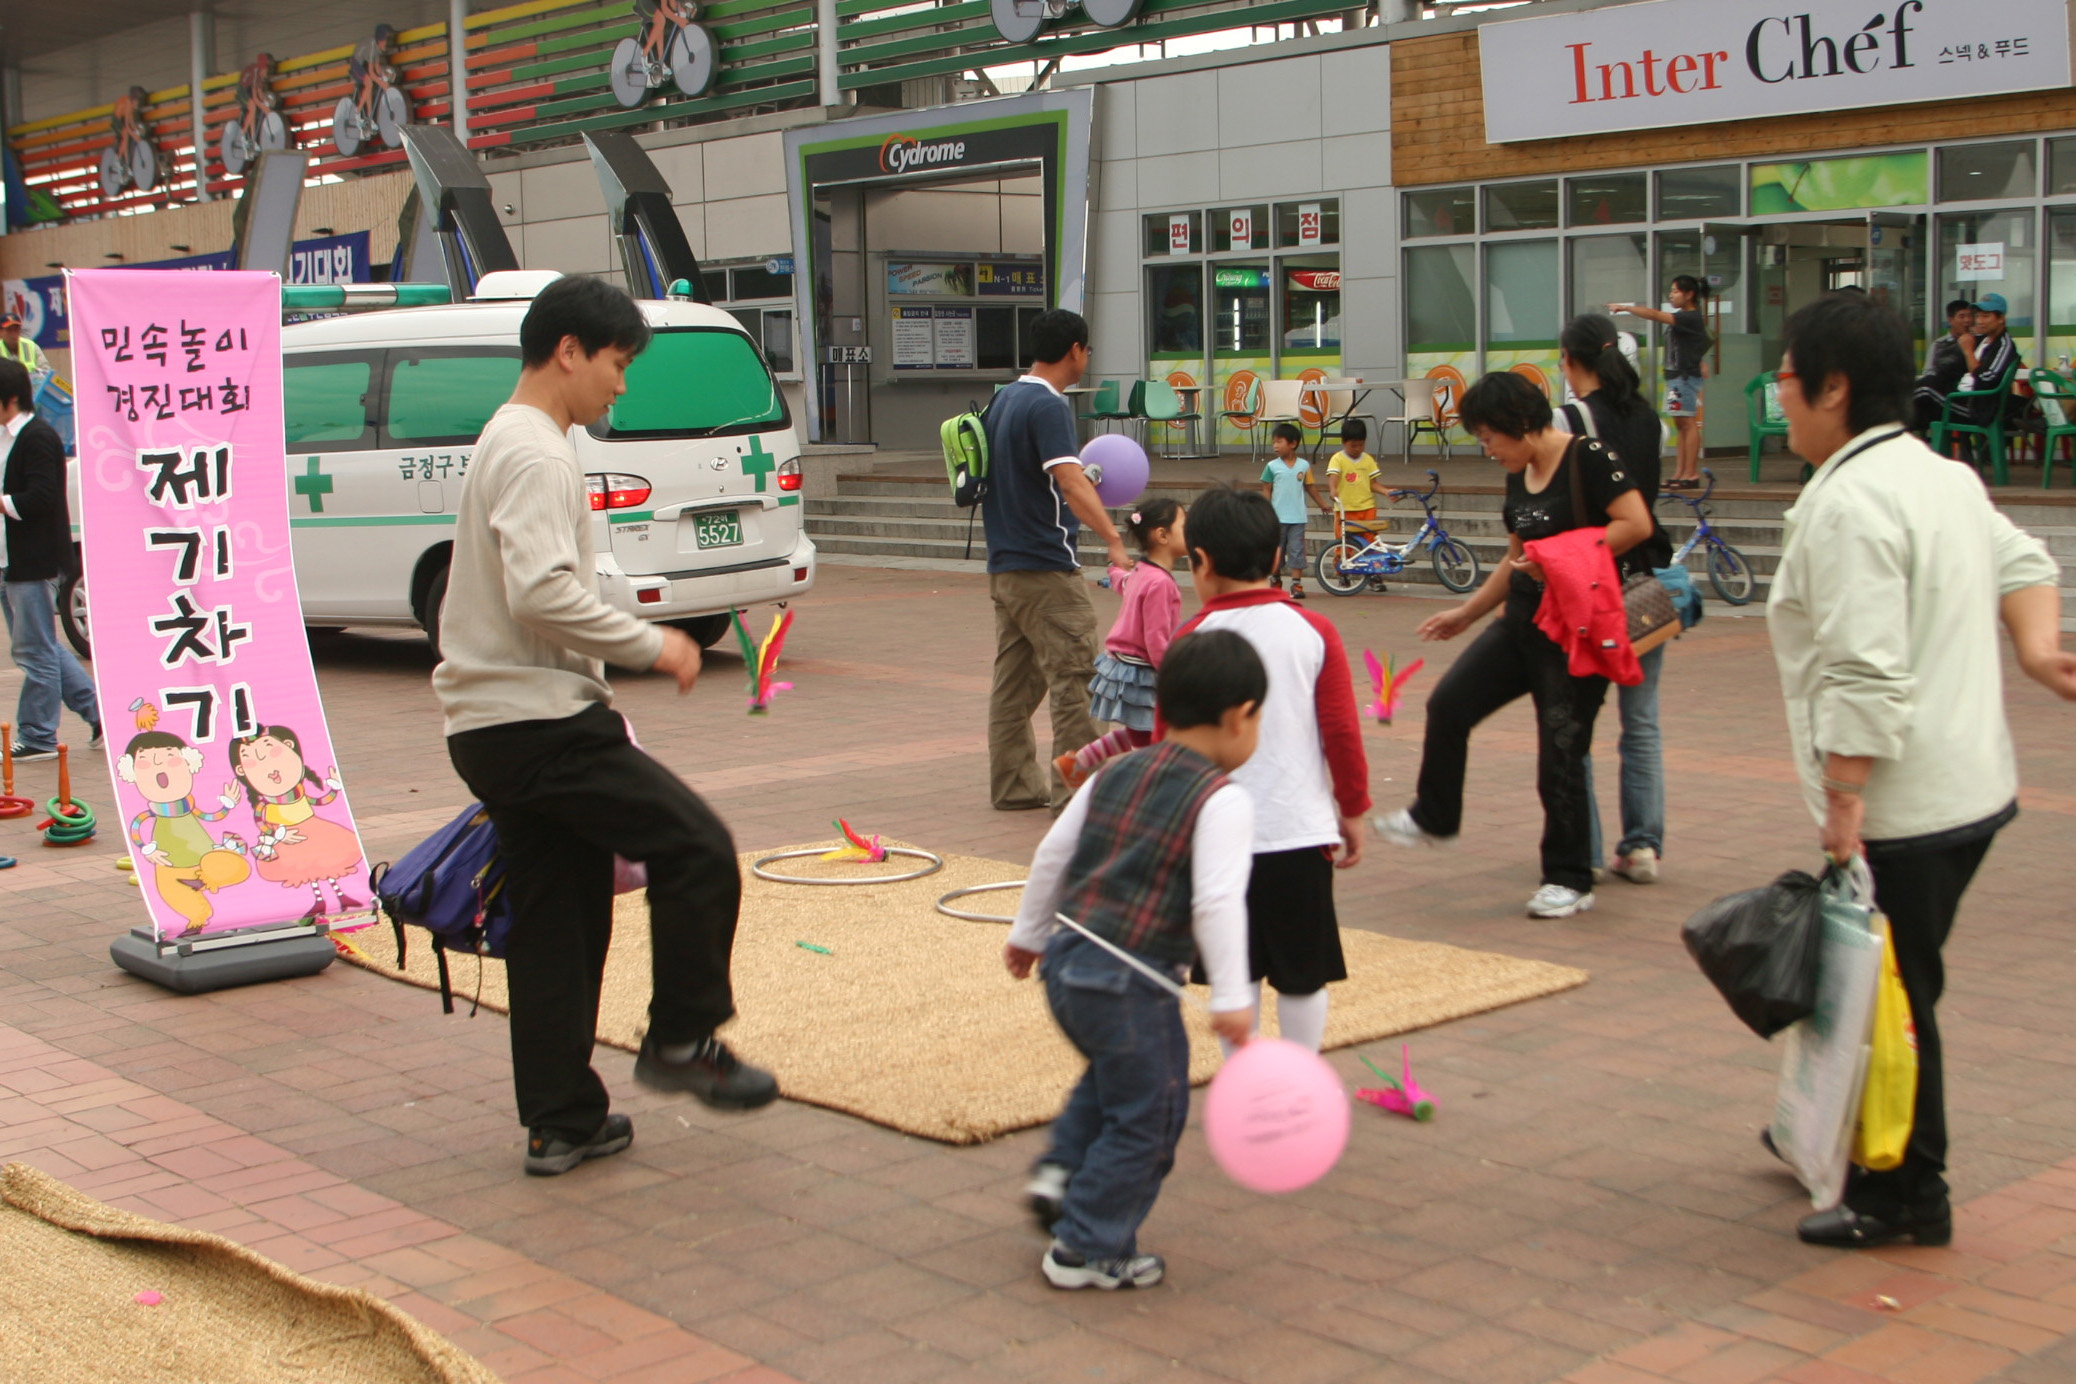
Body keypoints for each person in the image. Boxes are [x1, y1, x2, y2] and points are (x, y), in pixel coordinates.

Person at [435, 275, 776, 1178]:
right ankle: (680, 1039)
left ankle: (563, 1120)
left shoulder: (511, 440)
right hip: (538, 722)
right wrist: (652, 647)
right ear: (569, 352)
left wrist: (630, 617)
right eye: (618, 364)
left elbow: (555, 580)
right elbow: (542, 593)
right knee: (695, 845)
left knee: (560, 915)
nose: (620, 386)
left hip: (491, 726)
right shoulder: (539, 450)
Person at [1765, 293, 2076, 1249]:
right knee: (1887, 981)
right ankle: (1829, 1136)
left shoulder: (1853, 502)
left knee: (1896, 995)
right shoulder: (1935, 475)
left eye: (1786, 379)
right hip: (1971, 786)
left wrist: (1845, 806)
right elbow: (2026, 564)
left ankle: (1906, 1194)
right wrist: (2036, 649)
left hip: (1908, 805)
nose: (1779, 397)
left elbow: (1865, 668)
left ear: (1833, 387)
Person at [1005, 629, 1264, 1291]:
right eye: (1259, 717)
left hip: (1067, 964)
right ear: (1238, 717)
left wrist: (1029, 934)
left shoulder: (1116, 769)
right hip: (1130, 983)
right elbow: (1216, 901)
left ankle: (1063, 1172)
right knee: (1152, 1112)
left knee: (1114, 1078)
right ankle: (1088, 1246)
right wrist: (1234, 997)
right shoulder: (1223, 799)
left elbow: (1052, 856)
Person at [1372, 372, 1652, 919]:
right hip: (1521, 620)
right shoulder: (1519, 472)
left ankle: (1569, 878)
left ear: (1520, 425)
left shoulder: (1588, 457)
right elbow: (1514, 557)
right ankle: (1435, 815)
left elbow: (1635, 523)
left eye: (1489, 437)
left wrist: (1560, 556)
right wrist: (1466, 614)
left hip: (1575, 629)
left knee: (1561, 752)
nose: (1487, 449)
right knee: (1448, 704)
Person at [1171, 485, 1368, 1050]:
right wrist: (1351, 808)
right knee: (1303, 971)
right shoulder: (1314, 631)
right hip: (1298, 832)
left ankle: (1244, 1080)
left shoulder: (1189, 640)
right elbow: (1342, 732)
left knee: (1236, 971)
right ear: (1279, 557)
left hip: (1214, 840)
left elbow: (1169, 750)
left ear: (1200, 561)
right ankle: (1300, 1074)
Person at [981, 307, 1129, 813]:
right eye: (1088, 350)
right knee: (1079, 682)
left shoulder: (1003, 400)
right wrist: (1113, 538)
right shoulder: (1047, 406)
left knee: (1014, 688)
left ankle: (1014, 786)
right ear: (1076, 351)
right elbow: (1068, 478)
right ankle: (1079, 798)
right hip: (1045, 569)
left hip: (1006, 566)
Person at [1554, 313, 1676, 885]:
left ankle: (1590, 847)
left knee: (1575, 723)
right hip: (1646, 580)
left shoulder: (1570, 419)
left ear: (1571, 360)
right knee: (1642, 720)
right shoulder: (1649, 417)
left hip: (1590, 584)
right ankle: (1643, 845)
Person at [0, 358, 99, 763]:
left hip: (33, 561)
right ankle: (99, 714)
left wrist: (3, 503)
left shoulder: (37, 437)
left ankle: (39, 735)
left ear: (8, 398)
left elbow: (42, 497)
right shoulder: (7, 436)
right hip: (10, 560)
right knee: (43, 646)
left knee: (33, 651)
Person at [1057, 498, 1185, 790]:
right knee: (1151, 734)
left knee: (1139, 732)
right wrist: (1172, 674)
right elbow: (1155, 639)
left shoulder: (1142, 572)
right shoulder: (1161, 583)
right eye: (1184, 526)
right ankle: (1147, 789)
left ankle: (1077, 762)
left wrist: (1114, 569)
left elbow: (1122, 582)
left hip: (1122, 664)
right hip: (1143, 669)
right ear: (1162, 535)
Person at [1610, 276, 1708, 489]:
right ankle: (1681, 472)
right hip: (1676, 376)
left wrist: (1626, 308)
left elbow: (1654, 315)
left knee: (1688, 424)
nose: (1671, 295)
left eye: (1675, 291)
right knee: (1680, 424)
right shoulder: (1685, 317)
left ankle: (1690, 474)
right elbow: (1695, 344)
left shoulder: (1690, 317)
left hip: (1684, 376)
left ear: (1689, 294)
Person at [1258, 423, 1325, 599]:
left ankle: (1296, 584)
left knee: (1296, 550)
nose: (1275, 446)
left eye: (1279, 442)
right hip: (1277, 518)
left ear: (1293, 443)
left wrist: (1322, 504)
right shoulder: (1272, 466)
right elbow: (1266, 488)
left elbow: (1310, 487)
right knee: (1276, 551)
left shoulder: (1304, 466)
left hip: (1297, 518)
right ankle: (1276, 580)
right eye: (1274, 442)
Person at [1910, 300, 1977, 436]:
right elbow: (1929, 372)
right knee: (1924, 395)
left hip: (1960, 398)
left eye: (1970, 316)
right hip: (1938, 394)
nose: (1967, 321)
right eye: (1962, 316)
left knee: (1925, 390)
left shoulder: (1976, 343)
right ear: (1951, 320)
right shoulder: (1939, 345)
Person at [1323, 419, 1381, 542]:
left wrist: (1386, 491)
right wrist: (1333, 490)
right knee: (1344, 543)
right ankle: (1340, 560)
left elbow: (1373, 484)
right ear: (1344, 442)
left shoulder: (1368, 460)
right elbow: (1333, 475)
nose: (1357, 449)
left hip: (1367, 508)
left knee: (1370, 541)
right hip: (1346, 509)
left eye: (1361, 445)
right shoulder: (1337, 459)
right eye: (1353, 446)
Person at [0, 314, 48, 383]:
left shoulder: (31, 346)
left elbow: (45, 371)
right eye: (9, 330)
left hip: (32, 390)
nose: (13, 334)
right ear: (1, 332)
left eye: (16, 329)